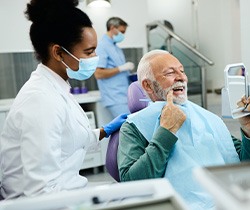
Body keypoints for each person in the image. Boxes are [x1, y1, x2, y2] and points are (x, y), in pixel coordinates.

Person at [0, 0, 127, 200]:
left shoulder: (56, 88)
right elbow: (41, 192)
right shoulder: (41, 100)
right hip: (42, 202)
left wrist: (103, 131)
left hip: (68, 190)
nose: (95, 56)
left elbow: (66, 140)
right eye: (89, 51)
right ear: (58, 52)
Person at [117, 50, 250, 210]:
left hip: (229, 200)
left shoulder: (207, 118)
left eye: (182, 71)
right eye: (170, 73)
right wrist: (165, 131)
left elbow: (240, 164)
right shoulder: (134, 126)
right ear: (148, 85)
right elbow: (132, 184)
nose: (181, 77)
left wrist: (247, 130)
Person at [94, 17, 135, 118]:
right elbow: (98, 74)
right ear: (112, 28)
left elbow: (119, 73)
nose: (123, 35)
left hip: (123, 96)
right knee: (127, 130)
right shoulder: (102, 46)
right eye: (121, 31)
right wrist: (121, 68)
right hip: (114, 98)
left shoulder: (116, 47)